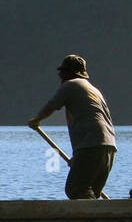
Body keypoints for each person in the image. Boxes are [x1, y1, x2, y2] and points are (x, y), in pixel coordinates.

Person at [28, 55, 116, 199]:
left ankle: (89, 219)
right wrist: (78, 158)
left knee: (76, 190)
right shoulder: (93, 89)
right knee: (92, 192)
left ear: (70, 72)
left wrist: (36, 120)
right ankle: (99, 219)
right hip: (109, 146)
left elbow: (52, 106)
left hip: (92, 145)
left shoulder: (70, 85)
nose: (59, 75)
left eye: (63, 71)